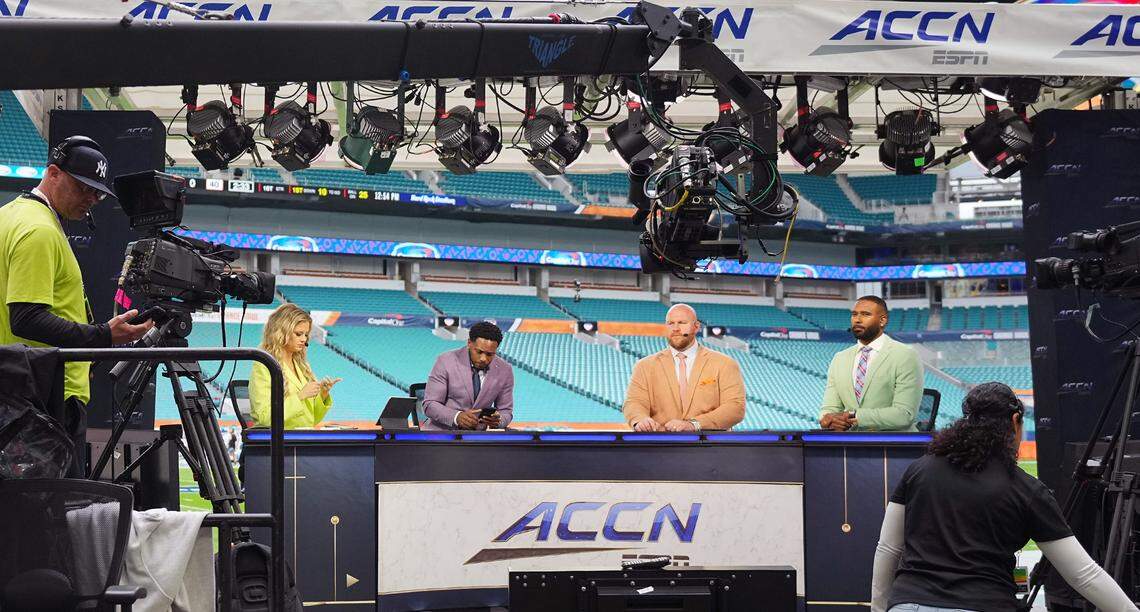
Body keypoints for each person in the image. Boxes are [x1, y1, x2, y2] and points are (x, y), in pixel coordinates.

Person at [871, 383, 1138, 612]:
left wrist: (879, 608)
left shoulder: (919, 470)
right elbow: (1083, 575)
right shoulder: (1026, 489)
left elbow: (888, 548)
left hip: (909, 603)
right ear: (1014, 420)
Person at [0, 136, 154, 477]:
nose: (91, 199)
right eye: (82, 187)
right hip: (46, 395)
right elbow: (26, 318)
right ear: (53, 173)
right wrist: (102, 336)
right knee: (56, 505)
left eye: (98, 192)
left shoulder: (9, 216)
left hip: (18, 388)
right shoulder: (39, 230)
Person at [623, 303, 745, 431]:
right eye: (670, 323)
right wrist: (640, 419)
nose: (675, 328)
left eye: (682, 323)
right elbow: (634, 402)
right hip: (661, 442)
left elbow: (735, 407)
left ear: (696, 326)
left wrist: (694, 424)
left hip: (709, 442)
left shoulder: (724, 364)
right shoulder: (644, 366)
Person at [819, 295, 923, 432]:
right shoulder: (839, 359)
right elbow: (829, 409)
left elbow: (904, 414)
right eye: (854, 314)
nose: (857, 319)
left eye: (866, 314)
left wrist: (855, 416)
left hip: (894, 442)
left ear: (882, 320)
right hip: (850, 442)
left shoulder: (905, 355)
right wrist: (827, 420)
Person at [248, 303, 341, 429]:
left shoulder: (301, 366)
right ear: (281, 332)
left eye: (306, 335)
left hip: (302, 437)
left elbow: (311, 420)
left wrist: (323, 395)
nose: (304, 339)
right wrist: (300, 396)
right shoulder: (264, 365)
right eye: (298, 334)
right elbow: (264, 418)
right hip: (280, 439)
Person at [423, 321, 514, 430]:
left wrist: (498, 420)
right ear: (469, 343)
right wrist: (456, 417)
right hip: (443, 434)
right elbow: (430, 404)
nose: (483, 359)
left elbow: (506, 411)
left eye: (490, 354)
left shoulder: (505, 370)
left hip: (479, 437)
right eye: (479, 352)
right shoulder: (445, 361)